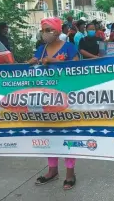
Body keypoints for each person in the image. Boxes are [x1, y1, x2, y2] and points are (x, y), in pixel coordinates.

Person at [29, 17, 79, 190]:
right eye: (43, 30)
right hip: (44, 100)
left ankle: (70, 173)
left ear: (58, 31)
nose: (45, 33)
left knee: (67, 135)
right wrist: (31, 63)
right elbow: (33, 69)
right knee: (48, 134)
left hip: (64, 99)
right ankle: (52, 170)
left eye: (49, 30)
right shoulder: (41, 49)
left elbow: (79, 69)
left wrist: (56, 61)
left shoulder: (69, 48)